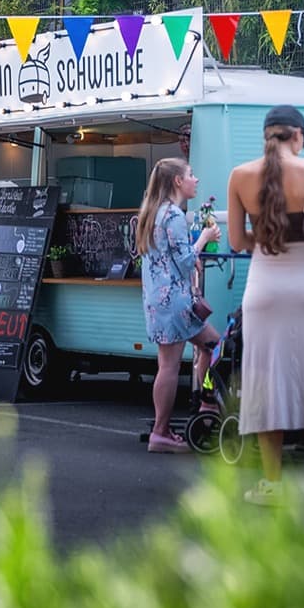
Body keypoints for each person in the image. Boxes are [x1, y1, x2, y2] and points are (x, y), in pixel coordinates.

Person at [227, 105, 304, 507]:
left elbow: (235, 243)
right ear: (298, 136)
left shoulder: (240, 177)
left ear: (266, 136)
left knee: (268, 382)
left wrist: (264, 234)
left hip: (264, 287)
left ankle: (272, 484)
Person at [137, 158, 221, 453]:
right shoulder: (173, 215)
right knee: (209, 348)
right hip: (176, 303)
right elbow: (185, 261)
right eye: (191, 175)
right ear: (177, 182)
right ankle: (168, 428)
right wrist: (204, 239)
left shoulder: (153, 213)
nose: (195, 180)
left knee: (196, 352)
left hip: (159, 301)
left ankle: (203, 406)